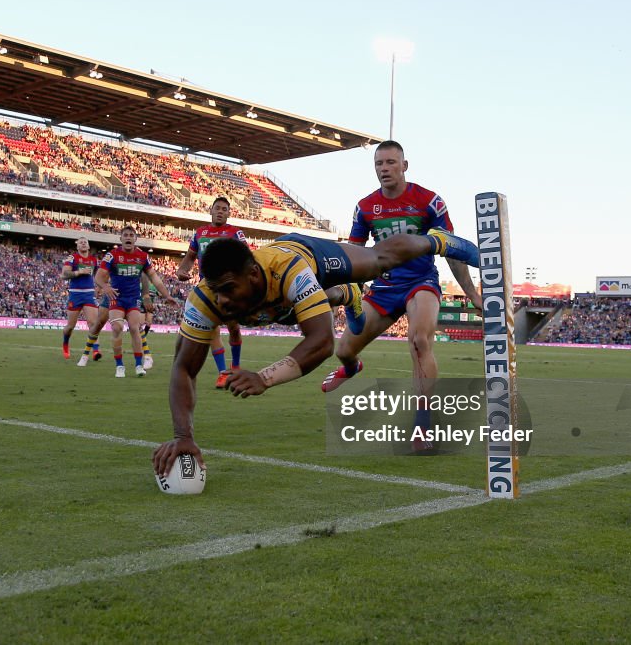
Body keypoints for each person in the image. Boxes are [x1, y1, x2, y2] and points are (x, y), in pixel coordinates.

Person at [151, 227, 479, 476]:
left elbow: (322, 342)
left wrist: (264, 377)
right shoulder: (204, 299)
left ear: (252, 274)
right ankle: (344, 294)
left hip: (307, 255)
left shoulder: (290, 268)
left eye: (228, 290)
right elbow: (183, 368)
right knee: (294, 310)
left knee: (379, 262)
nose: (221, 300)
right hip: (282, 305)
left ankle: (437, 241)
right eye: (216, 291)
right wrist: (183, 436)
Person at [321, 141, 483, 453]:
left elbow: (451, 249)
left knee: (420, 340)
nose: (384, 169)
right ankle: (351, 369)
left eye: (391, 162)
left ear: (404, 166)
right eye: (379, 163)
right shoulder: (366, 207)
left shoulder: (429, 201)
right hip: (383, 290)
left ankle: (423, 426)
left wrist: (472, 293)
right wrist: (335, 289)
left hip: (420, 283)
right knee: (343, 350)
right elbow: (355, 254)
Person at [176, 197, 251, 389]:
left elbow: (247, 255)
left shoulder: (235, 233)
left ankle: (235, 367)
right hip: (207, 288)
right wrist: (182, 270)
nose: (220, 211)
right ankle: (222, 373)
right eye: (217, 208)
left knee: (233, 328)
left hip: (229, 288)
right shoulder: (200, 233)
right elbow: (190, 256)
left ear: (228, 213)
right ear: (210, 210)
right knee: (212, 332)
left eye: (224, 209)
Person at [93, 226, 178, 378]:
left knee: (135, 328)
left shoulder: (142, 257)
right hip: (116, 298)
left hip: (133, 300)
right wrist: (105, 287)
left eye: (131, 235)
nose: (128, 237)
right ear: (120, 239)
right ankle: (120, 366)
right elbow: (98, 277)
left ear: (135, 239)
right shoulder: (112, 255)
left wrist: (167, 295)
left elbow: (155, 278)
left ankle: (139, 365)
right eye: (125, 235)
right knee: (117, 327)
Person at [61, 237, 99, 358]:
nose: (83, 244)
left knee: (93, 323)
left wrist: (100, 287)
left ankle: (96, 351)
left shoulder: (94, 260)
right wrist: (79, 272)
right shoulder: (72, 258)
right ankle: (66, 343)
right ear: (77, 247)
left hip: (89, 294)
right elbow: (64, 274)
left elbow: (99, 276)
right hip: (75, 294)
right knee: (70, 326)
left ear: (88, 246)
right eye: (80, 243)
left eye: (85, 242)